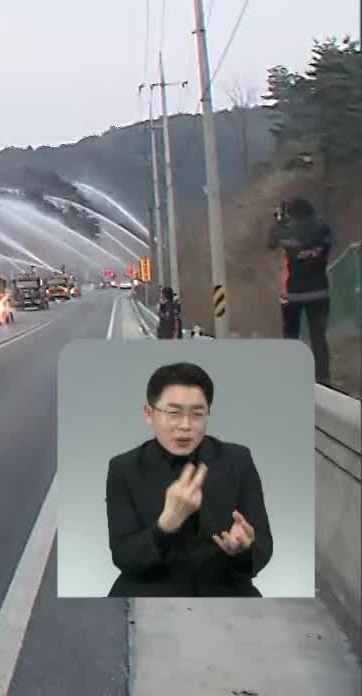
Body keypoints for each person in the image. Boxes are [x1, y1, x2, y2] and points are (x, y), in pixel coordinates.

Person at [105, 361, 272, 597]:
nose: (185, 425)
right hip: (149, 591)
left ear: (208, 414)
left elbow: (263, 543)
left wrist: (243, 549)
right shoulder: (124, 468)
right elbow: (124, 556)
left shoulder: (238, 459)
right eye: (173, 413)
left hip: (225, 590)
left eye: (197, 414)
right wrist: (166, 525)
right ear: (149, 414)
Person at [266, 197, 334, 384]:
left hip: (294, 293)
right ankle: (323, 377)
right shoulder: (322, 227)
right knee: (318, 336)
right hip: (320, 291)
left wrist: (279, 221)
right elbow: (328, 243)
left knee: (291, 336)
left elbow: (271, 243)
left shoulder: (287, 231)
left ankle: (292, 376)